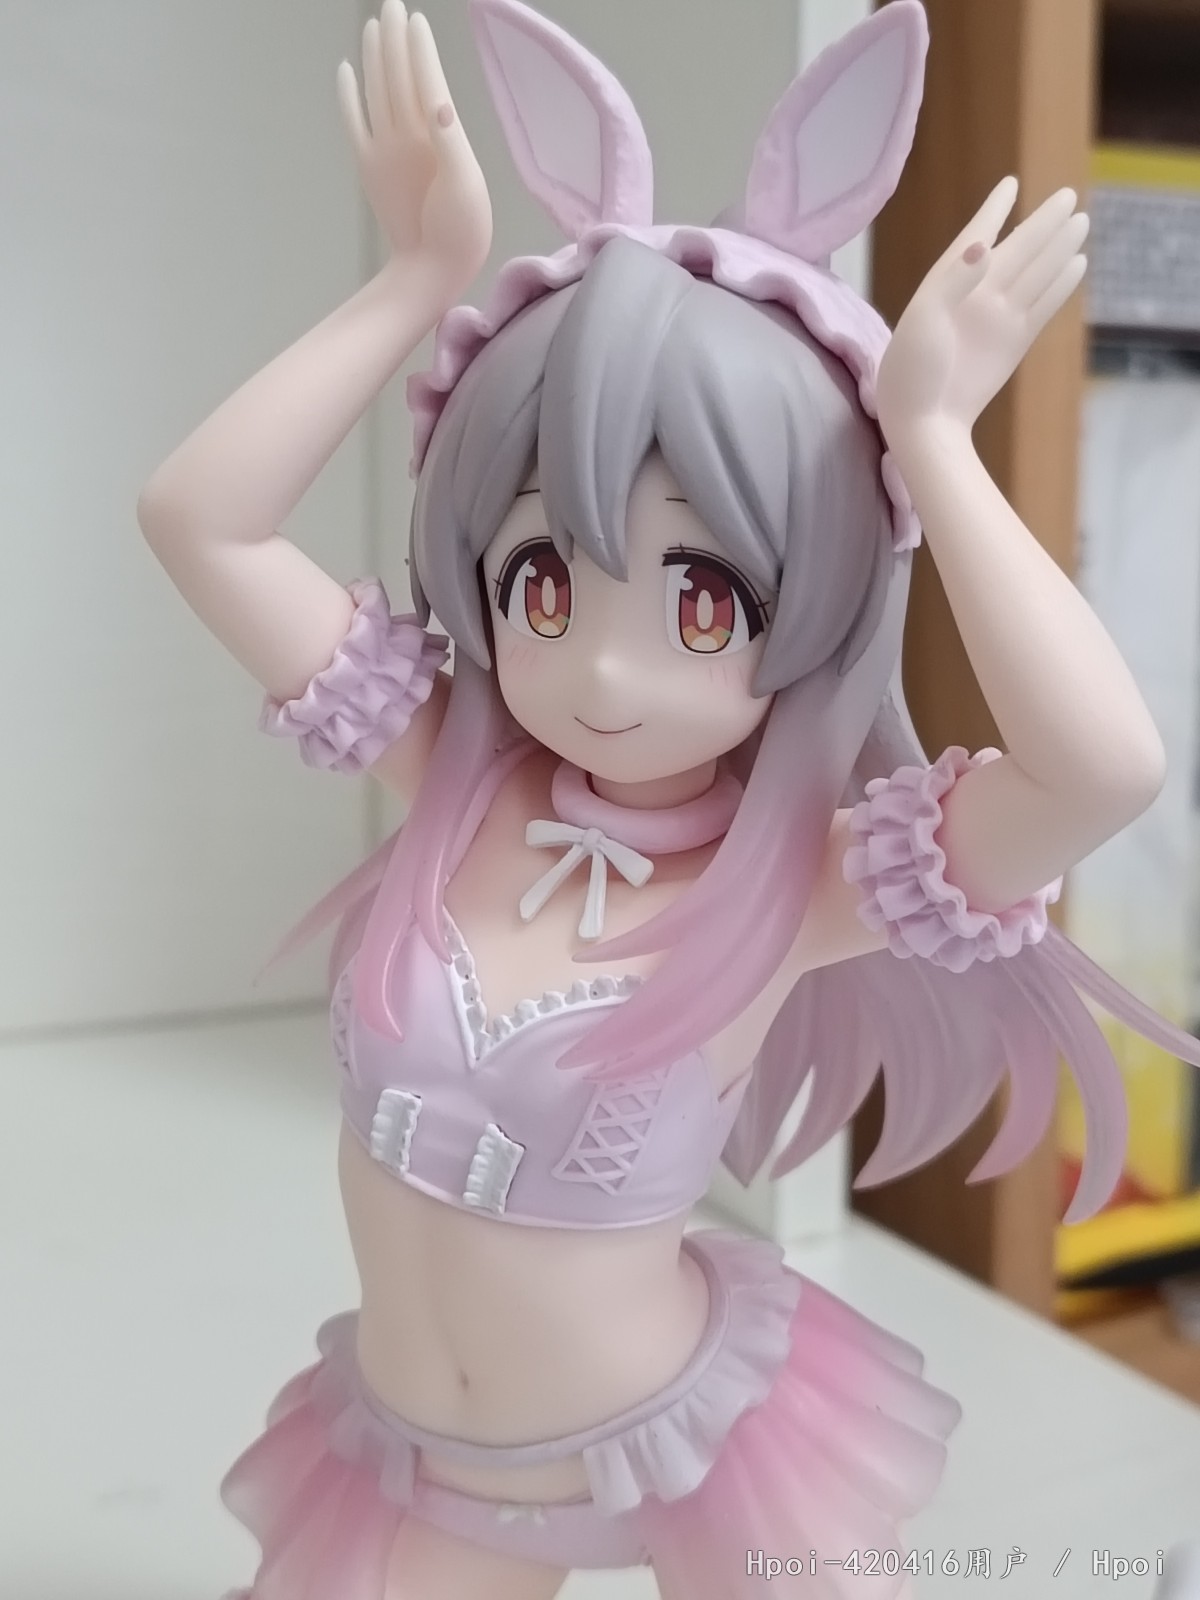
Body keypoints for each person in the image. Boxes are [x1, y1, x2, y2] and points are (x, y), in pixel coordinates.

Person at [136, 2, 1200, 1595]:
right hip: (420, 1466)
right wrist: (417, 278)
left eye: (704, 601)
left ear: (812, 604)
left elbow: (1104, 770)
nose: (603, 669)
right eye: (542, 581)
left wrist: (931, 441)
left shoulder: (808, 877)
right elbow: (200, 520)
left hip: (695, 1451)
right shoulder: (447, 763)